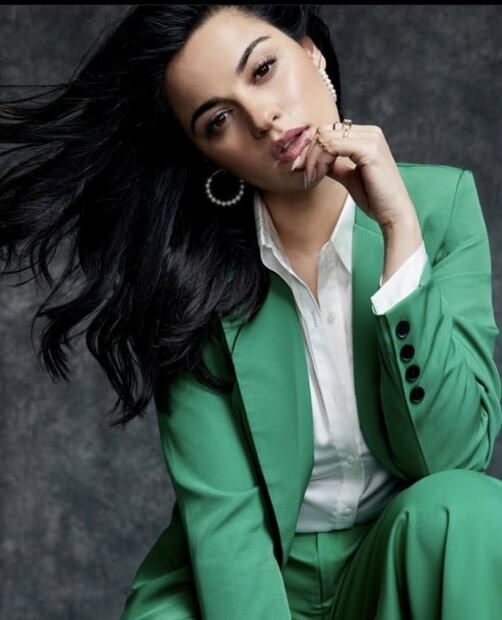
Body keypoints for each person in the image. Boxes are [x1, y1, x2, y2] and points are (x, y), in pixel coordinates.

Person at [1, 5, 502, 619]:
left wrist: (401, 236)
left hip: (396, 559)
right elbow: (227, 530)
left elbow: (451, 460)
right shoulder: (191, 283)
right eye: (218, 120)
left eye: (263, 69)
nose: (263, 118)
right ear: (208, 155)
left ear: (311, 51)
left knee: (470, 509)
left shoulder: (439, 208)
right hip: (245, 576)